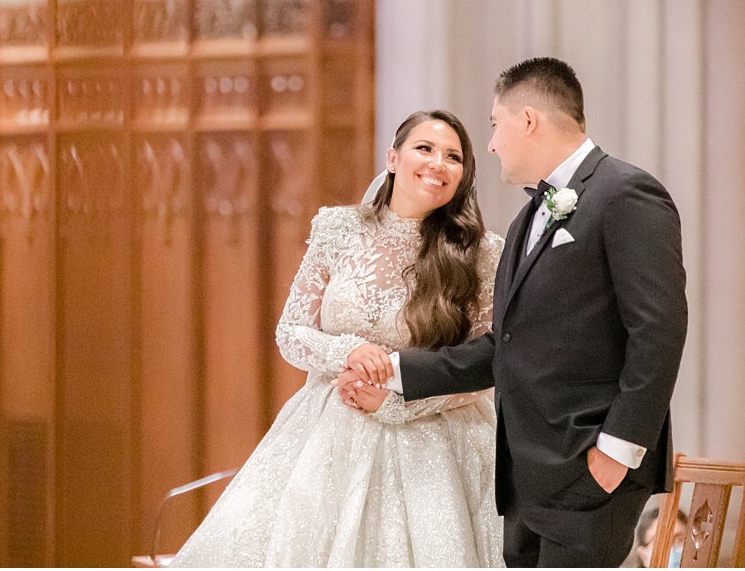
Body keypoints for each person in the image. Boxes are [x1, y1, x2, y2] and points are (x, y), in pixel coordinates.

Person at [341, 57, 687, 567]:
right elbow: (504, 345)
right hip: (528, 476)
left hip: (589, 465)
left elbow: (659, 331)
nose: (493, 143)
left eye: (495, 125)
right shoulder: (530, 216)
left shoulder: (625, 194)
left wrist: (618, 450)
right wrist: (393, 372)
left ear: (527, 120)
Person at [172, 109, 507, 567]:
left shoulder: (481, 251)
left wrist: (395, 399)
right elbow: (290, 332)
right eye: (424, 149)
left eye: (454, 157)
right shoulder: (339, 228)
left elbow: (486, 366)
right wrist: (346, 349)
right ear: (392, 158)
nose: (438, 164)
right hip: (329, 430)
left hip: (437, 443)